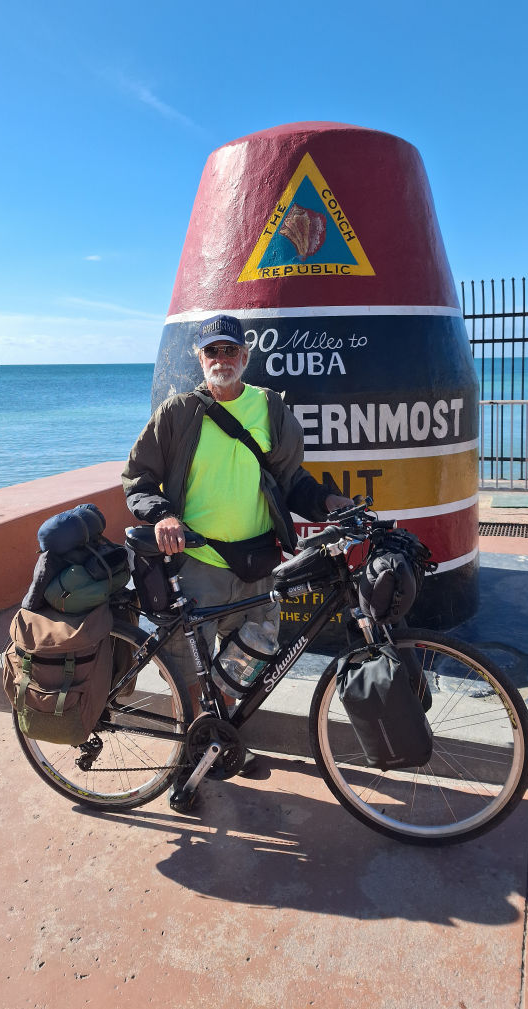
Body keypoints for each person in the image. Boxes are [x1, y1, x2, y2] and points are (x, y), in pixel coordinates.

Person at [122, 313, 351, 809]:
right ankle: (187, 766)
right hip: (197, 564)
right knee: (190, 671)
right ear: (199, 359)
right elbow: (137, 478)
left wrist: (328, 504)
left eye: (230, 351)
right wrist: (161, 514)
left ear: (245, 357)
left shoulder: (270, 409)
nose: (221, 360)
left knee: (251, 658)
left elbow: (293, 481)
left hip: (258, 564)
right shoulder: (180, 413)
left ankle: (219, 738)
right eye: (212, 352)